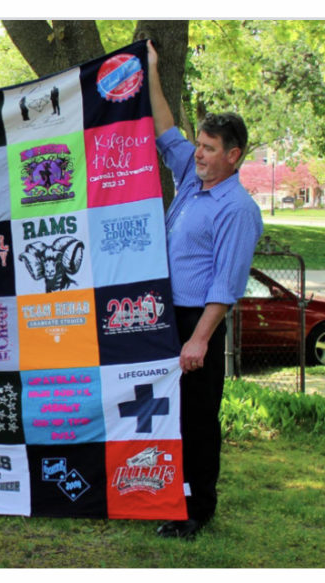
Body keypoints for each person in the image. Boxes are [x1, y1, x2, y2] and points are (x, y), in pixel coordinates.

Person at [147, 41, 263, 539]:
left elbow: (227, 282)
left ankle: (197, 510)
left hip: (200, 321)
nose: (198, 153)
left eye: (209, 148)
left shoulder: (238, 209)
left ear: (232, 156)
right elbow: (165, 130)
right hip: (167, 314)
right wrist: (152, 70)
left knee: (196, 418)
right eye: (199, 144)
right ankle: (169, 495)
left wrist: (199, 339)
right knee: (167, 412)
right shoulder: (193, 180)